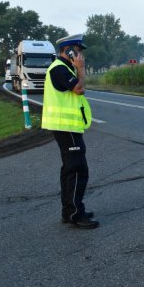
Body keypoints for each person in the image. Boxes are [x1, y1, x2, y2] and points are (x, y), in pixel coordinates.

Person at [42, 34, 99, 229]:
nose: (81, 55)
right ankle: (76, 213)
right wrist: (81, 68)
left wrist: (77, 68)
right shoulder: (59, 68)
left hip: (67, 127)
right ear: (69, 51)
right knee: (77, 169)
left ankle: (69, 211)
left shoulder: (63, 67)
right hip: (66, 127)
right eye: (78, 50)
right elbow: (79, 89)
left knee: (69, 169)